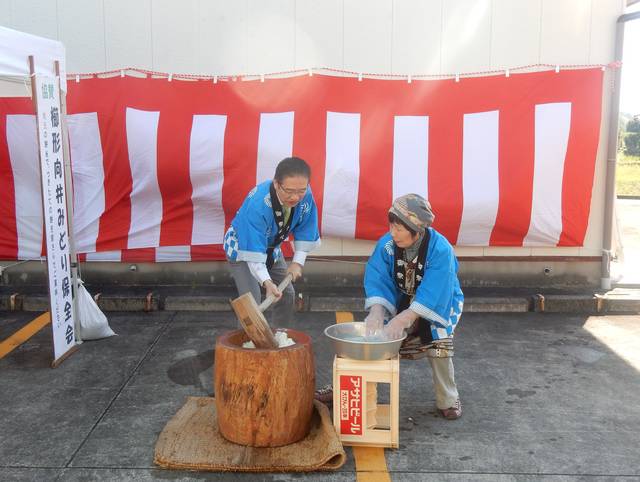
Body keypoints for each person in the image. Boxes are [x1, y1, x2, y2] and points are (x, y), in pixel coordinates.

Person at [363, 194, 464, 419]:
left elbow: (437, 290)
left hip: (441, 302)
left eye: (399, 228)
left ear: (416, 229)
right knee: (374, 337)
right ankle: (354, 387)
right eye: (391, 225)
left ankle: (448, 398)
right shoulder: (387, 245)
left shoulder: (441, 250)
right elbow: (377, 276)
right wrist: (377, 310)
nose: (393, 233)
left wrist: (405, 319)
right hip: (402, 298)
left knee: (439, 344)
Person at [223, 157, 321, 326]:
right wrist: (267, 282)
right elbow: (252, 249)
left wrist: (297, 263)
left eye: (301, 191)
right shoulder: (257, 204)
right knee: (252, 304)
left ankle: (279, 336)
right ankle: (244, 347)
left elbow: (306, 229)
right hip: (242, 249)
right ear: (276, 184)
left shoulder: (305, 194)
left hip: (272, 248)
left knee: (287, 294)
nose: (296, 197)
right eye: (289, 191)